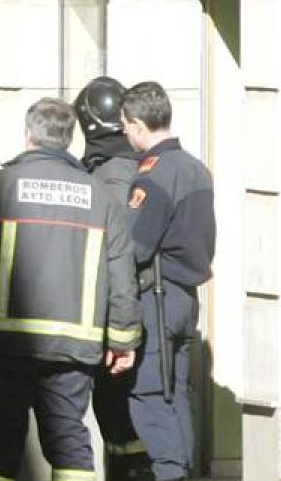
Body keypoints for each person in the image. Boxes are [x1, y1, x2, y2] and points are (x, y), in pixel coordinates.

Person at [0, 97, 142, 481]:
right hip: (74, 347)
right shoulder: (100, 197)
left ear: (29, 135)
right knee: (68, 440)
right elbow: (122, 273)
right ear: (70, 138)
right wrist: (123, 340)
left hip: (5, 342)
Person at [119, 81, 216, 481]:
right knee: (176, 394)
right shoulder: (196, 167)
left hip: (156, 298)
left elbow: (135, 248)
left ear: (140, 125)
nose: (124, 132)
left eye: (125, 125)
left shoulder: (154, 175)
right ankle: (184, 472)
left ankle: (171, 475)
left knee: (150, 396)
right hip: (185, 298)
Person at [75, 77, 150, 480]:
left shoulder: (110, 177)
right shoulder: (131, 165)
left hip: (121, 313)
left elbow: (119, 256)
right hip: (135, 306)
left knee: (117, 409)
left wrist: (118, 330)